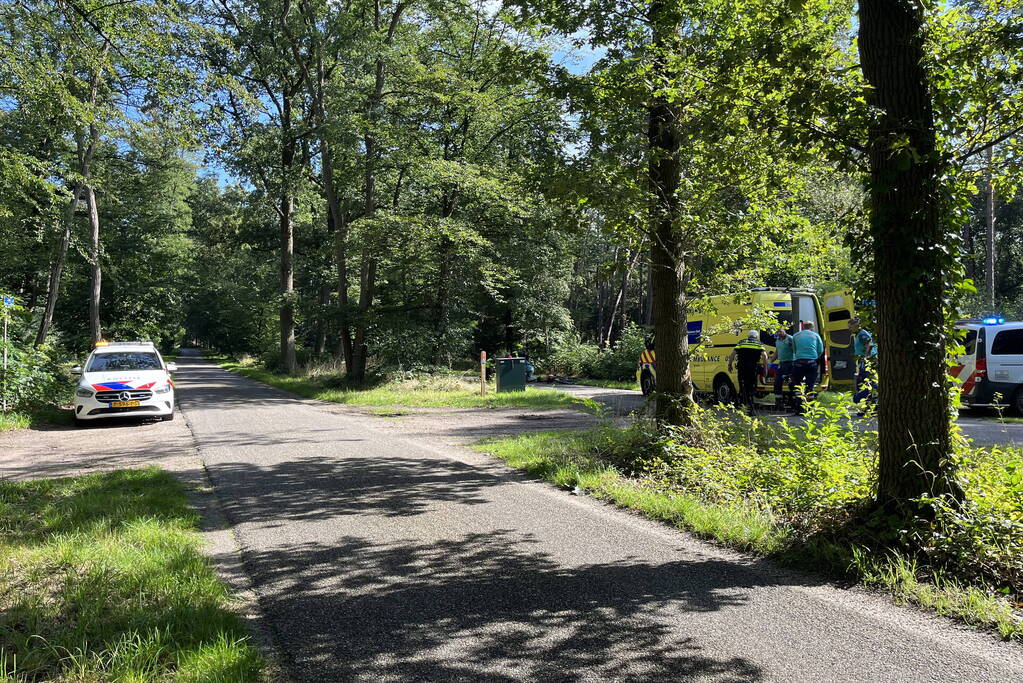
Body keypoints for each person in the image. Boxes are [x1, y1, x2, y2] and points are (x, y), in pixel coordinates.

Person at [789, 321, 825, 414]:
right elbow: (820, 350)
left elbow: (794, 349)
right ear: (812, 327)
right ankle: (810, 409)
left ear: (803, 327)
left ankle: (798, 408)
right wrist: (814, 357)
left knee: (798, 385)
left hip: (799, 362)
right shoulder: (816, 336)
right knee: (810, 385)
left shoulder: (796, 336)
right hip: (812, 362)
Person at [728, 330, 768, 410]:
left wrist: (730, 364)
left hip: (742, 367)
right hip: (753, 368)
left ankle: (742, 404)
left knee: (742, 385)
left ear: (748, 336)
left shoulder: (741, 342)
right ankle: (750, 404)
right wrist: (765, 368)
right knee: (751, 385)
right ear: (756, 336)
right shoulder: (759, 343)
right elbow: (764, 356)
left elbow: (733, 354)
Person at [849, 317, 877, 407]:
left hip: (868, 361)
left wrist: (866, 358)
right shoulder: (858, 334)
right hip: (863, 360)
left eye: (850, 327)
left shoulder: (862, 334)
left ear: (856, 326)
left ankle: (861, 399)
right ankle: (868, 406)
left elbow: (870, 345)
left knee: (869, 382)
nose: (849, 329)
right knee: (863, 383)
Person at [772, 326, 796, 409]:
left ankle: (793, 402)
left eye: (780, 331)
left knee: (792, 383)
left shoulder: (790, 339)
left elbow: (795, 350)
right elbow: (777, 352)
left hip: (791, 363)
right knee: (777, 382)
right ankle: (779, 402)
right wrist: (771, 361)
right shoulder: (778, 340)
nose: (779, 333)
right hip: (782, 364)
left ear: (784, 331)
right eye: (777, 332)